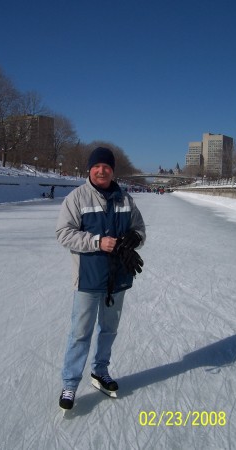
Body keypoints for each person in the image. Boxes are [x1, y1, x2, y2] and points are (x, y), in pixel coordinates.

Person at [56, 147, 146, 410]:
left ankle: (100, 371)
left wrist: (135, 238)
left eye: (106, 166)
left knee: (109, 330)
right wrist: (97, 241)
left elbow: (139, 229)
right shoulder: (77, 198)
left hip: (118, 279)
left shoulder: (126, 200)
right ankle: (70, 384)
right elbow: (63, 233)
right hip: (88, 279)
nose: (101, 170)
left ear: (112, 170)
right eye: (97, 166)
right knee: (80, 333)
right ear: (90, 169)